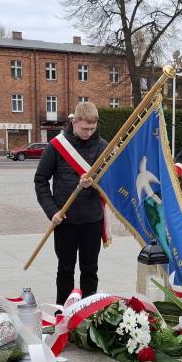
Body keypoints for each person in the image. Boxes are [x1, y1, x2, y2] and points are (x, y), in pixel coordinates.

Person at [35, 102, 108, 304]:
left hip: (92, 220)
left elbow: (112, 182)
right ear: (74, 122)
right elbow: (40, 181)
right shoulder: (56, 146)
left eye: (92, 128)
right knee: (65, 270)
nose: (88, 132)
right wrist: (52, 211)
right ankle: (63, 313)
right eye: (84, 128)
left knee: (90, 270)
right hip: (64, 220)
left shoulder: (103, 147)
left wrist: (96, 182)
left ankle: (88, 313)